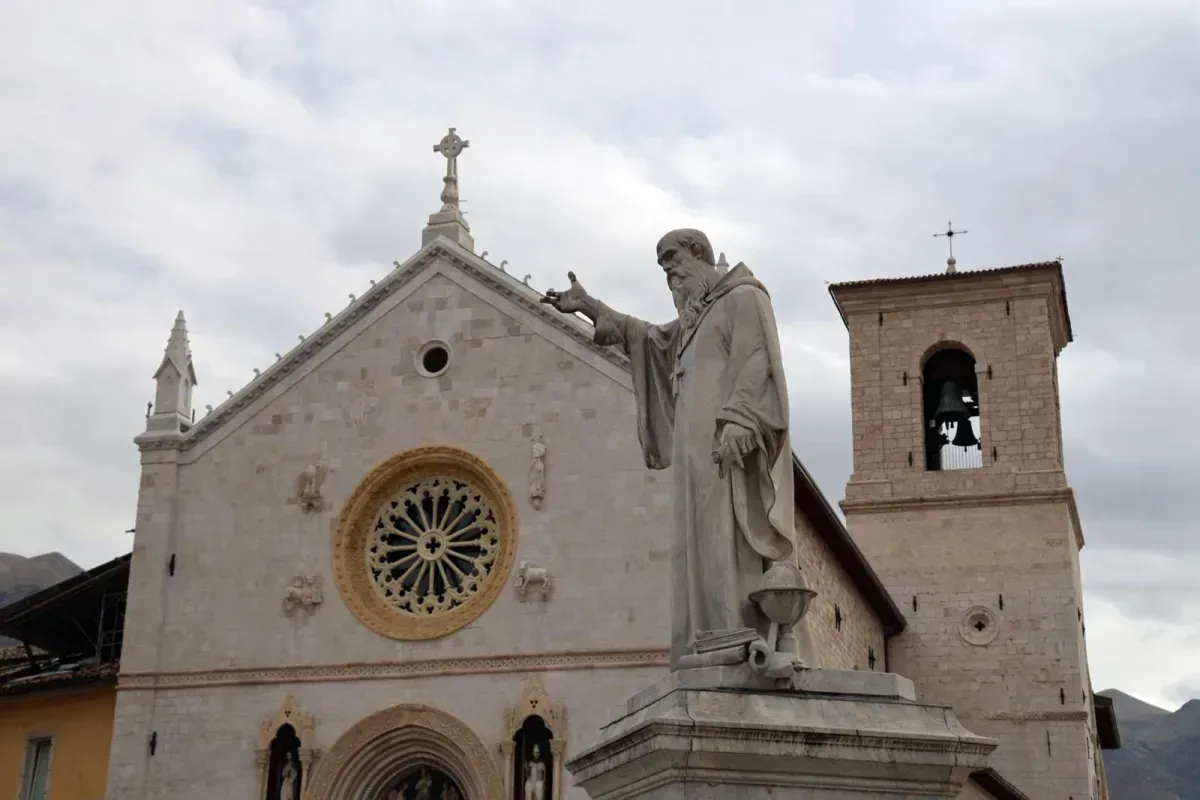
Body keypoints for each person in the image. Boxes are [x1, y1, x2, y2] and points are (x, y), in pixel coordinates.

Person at [542, 229, 795, 669]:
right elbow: (646, 338)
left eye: (672, 260)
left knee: (724, 537)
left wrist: (739, 418)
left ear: (699, 254)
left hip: (726, 446)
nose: (669, 273)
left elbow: (758, 359)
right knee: (696, 543)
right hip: (692, 456)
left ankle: (735, 636)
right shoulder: (693, 324)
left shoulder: (743, 297)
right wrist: (588, 306)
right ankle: (704, 639)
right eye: (663, 267)